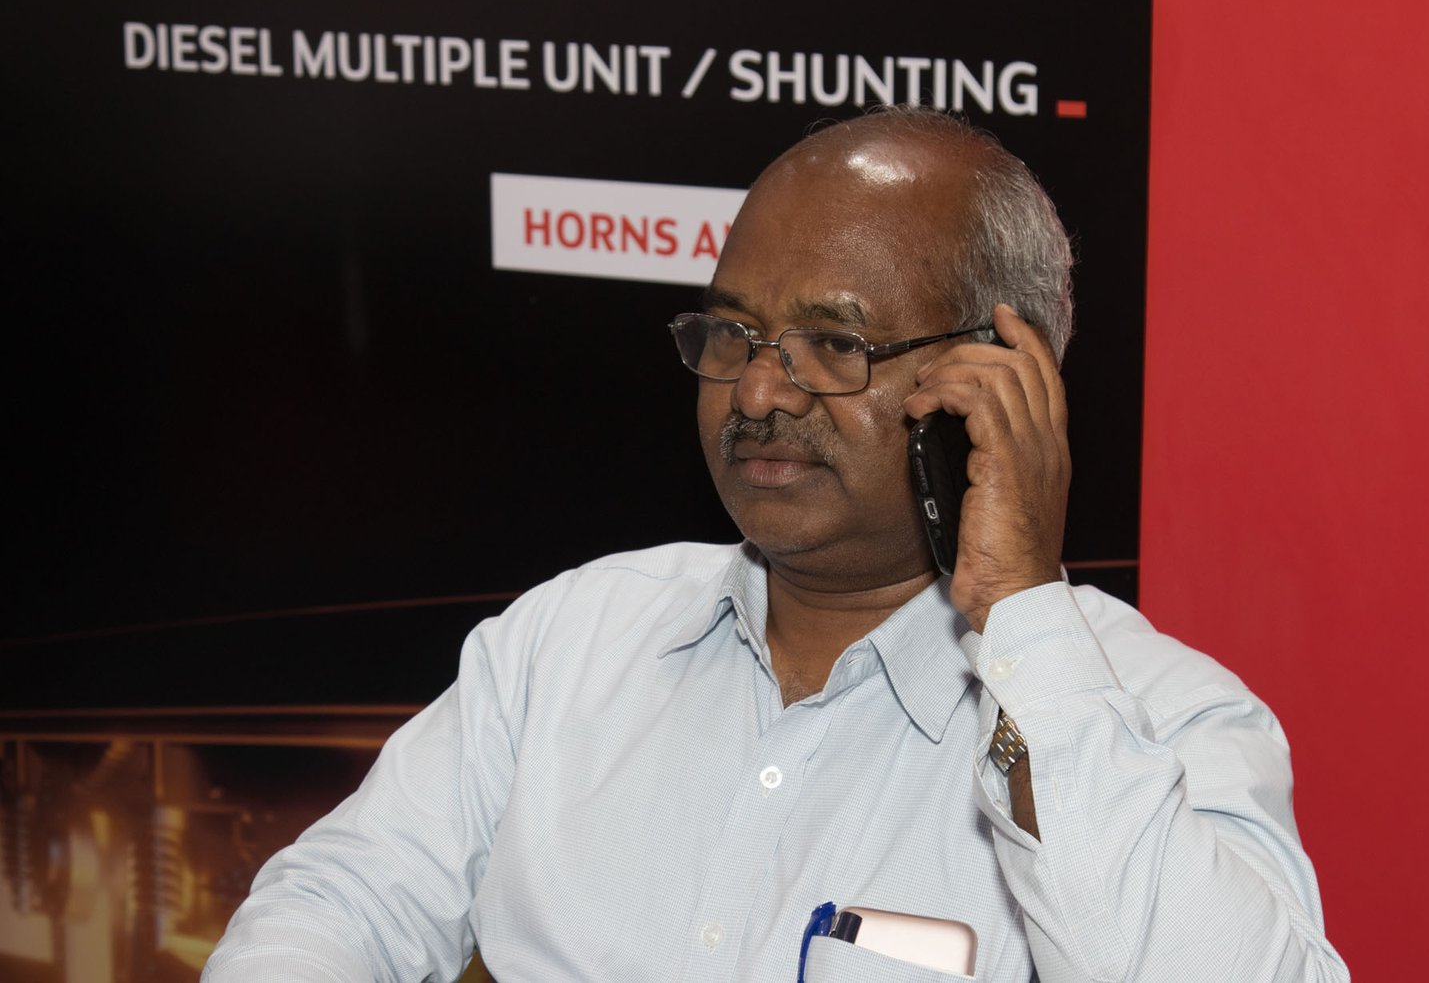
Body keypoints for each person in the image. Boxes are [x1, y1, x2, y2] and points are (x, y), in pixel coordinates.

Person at [204, 108, 1349, 982]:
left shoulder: (1158, 718)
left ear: (997, 381)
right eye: (734, 333)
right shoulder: (570, 640)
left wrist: (1020, 611)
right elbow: (334, 905)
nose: (756, 391)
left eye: (832, 346)